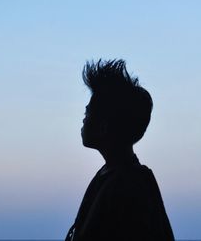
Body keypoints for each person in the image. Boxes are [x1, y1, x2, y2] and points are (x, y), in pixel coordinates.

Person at [65, 59, 175, 241]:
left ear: (104, 127)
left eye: (88, 113)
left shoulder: (130, 185)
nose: (84, 119)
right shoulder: (112, 176)